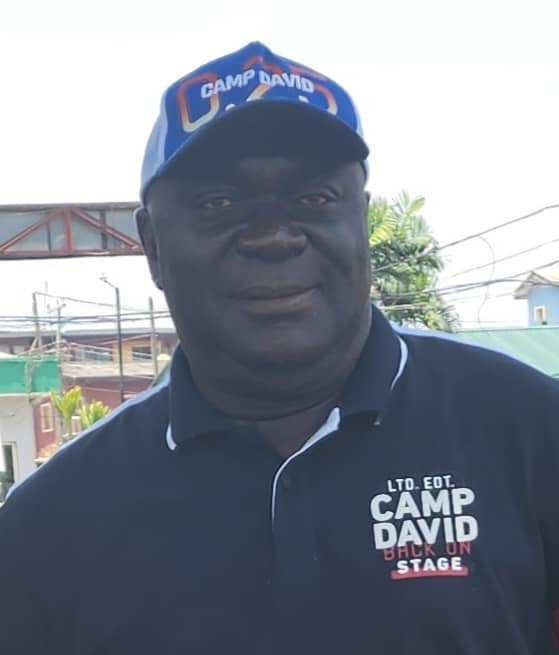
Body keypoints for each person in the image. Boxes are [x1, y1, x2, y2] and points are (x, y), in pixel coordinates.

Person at [1, 41, 559, 655]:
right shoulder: (50, 522)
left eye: (314, 198)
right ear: (153, 246)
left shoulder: (532, 431)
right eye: (218, 203)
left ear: (361, 220)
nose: (272, 236)